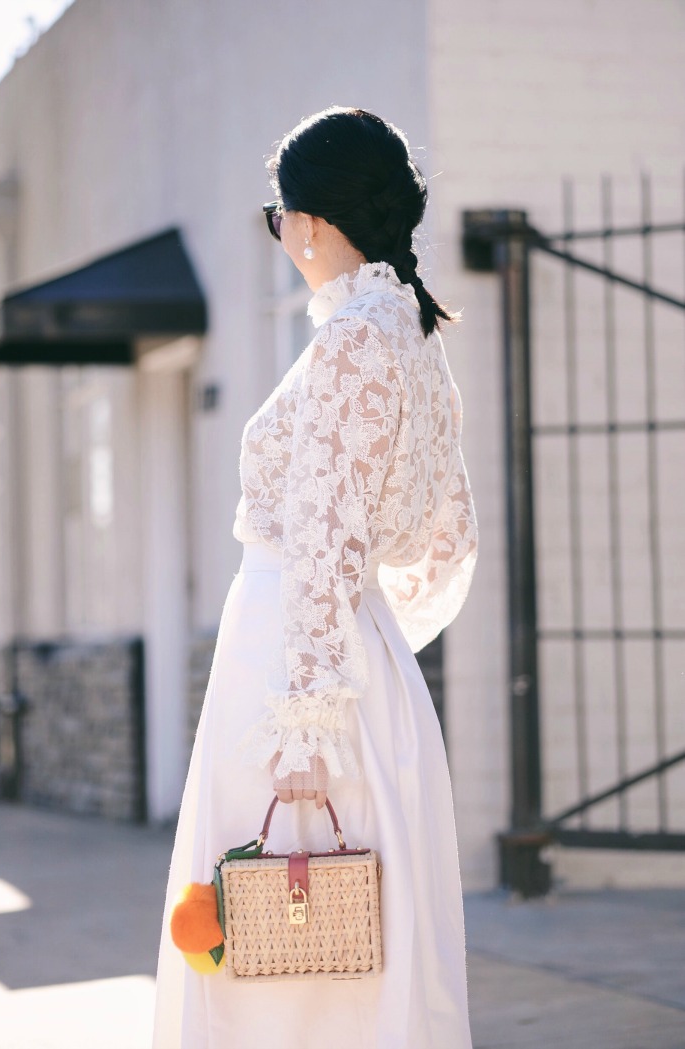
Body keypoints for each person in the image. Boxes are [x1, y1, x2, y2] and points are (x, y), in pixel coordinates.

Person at [152, 106, 478, 1049]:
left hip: (298, 673)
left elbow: (325, 539)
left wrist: (306, 720)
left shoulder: (352, 343)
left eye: (277, 216)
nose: (281, 235)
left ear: (312, 221)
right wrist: (369, 658)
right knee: (367, 945)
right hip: (355, 658)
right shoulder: (412, 334)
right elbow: (443, 532)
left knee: (278, 948)